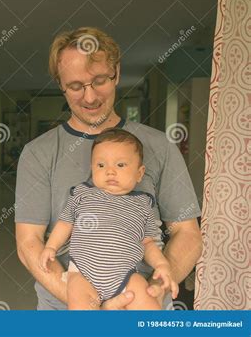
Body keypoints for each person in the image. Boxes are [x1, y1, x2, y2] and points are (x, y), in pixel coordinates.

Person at [15, 27, 202, 310]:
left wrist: (151, 293)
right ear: (60, 84)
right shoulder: (38, 153)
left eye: (99, 80)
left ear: (116, 71)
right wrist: (90, 306)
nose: (90, 98)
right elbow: (28, 244)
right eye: (76, 86)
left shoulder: (158, 146)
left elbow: (187, 234)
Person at [39, 128, 179, 310]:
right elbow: (66, 223)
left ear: (139, 173)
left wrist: (162, 265)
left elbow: (148, 243)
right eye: (101, 165)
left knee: (149, 306)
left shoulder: (143, 204)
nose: (110, 172)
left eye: (120, 165)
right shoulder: (82, 195)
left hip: (126, 277)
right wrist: (51, 246)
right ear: (92, 168)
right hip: (82, 273)